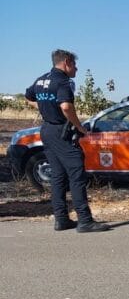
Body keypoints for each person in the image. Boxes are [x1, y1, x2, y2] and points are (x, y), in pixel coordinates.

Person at [25, 49, 109, 232]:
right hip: (61, 131)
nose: (76, 69)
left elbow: (28, 97)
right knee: (77, 174)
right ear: (67, 62)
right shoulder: (63, 81)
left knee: (58, 176)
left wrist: (44, 107)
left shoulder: (41, 79)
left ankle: (61, 219)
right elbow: (65, 106)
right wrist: (79, 126)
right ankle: (85, 221)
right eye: (75, 65)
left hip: (46, 130)